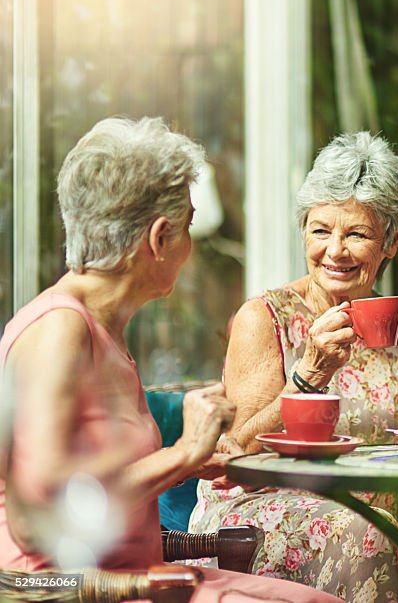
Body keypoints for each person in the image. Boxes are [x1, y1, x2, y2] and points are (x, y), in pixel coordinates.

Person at [0, 117, 337, 602]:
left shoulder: (100, 329)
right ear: (159, 239)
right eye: (188, 226)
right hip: (73, 591)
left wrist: (186, 464)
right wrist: (182, 453)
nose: (190, 246)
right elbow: (39, 522)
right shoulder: (58, 331)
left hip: (138, 573)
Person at [189, 132, 398, 601]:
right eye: (321, 230)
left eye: (357, 234)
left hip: (371, 520)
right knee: (367, 535)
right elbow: (234, 455)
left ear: (392, 241)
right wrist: (308, 374)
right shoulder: (263, 318)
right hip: (258, 515)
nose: (335, 251)